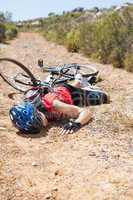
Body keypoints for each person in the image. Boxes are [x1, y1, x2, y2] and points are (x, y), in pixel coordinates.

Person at [9, 74, 109, 134]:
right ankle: (79, 81)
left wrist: (76, 123)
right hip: (60, 92)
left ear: (37, 113)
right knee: (71, 85)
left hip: (71, 95)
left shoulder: (53, 104)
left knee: (106, 97)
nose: (43, 126)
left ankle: (81, 81)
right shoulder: (37, 111)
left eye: (38, 122)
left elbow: (86, 112)